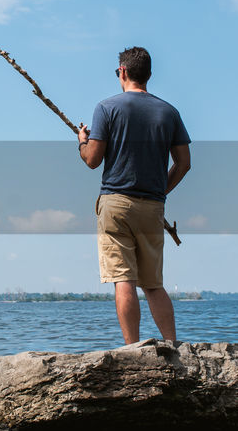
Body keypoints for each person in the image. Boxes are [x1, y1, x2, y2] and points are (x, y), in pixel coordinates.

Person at [77, 47, 191, 345]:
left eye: (118, 72)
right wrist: (159, 191)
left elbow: (92, 160)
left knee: (123, 280)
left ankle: (133, 348)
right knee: (153, 284)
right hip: (152, 205)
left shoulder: (107, 108)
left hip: (115, 203)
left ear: (123, 72)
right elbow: (184, 163)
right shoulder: (169, 112)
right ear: (149, 75)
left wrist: (82, 142)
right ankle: (172, 344)